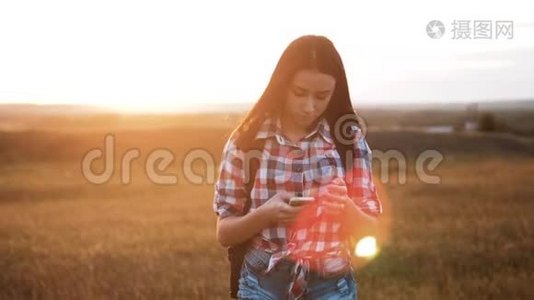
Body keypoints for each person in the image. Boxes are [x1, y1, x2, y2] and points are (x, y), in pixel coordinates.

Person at [213, 35, 383, 300]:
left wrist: (345, 208)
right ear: (282, 85)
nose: (309, 106)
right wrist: (266, 214)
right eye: (300, 93)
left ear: (335, 92)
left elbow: (371, 229)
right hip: (261, 283)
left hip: (331, 283)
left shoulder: (348, 140)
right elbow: (224, 233)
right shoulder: (246, 142)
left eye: (322, 96)